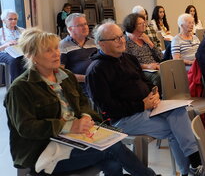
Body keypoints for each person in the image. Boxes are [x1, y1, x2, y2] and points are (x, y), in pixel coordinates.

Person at [4, 28, 157, 176]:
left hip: (74, 140)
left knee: (114, 162)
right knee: (113, 148)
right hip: (43, 151)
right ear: (33, 56)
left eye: (56, 48)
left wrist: (85, 116)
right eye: (48, 51)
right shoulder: (21, 88)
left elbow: (84, 103)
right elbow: (26, 127)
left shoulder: (66, 76)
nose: (56, 54)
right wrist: (68, 125)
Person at [85, 20, 204, 176]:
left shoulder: (128, 58)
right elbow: (108, 108)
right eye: (115, 39)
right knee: (175, 130)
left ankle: (192, 166)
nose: (121, 40)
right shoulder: (96, 70)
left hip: (148, 107)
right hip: (124, 119)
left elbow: (146, 81)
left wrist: (153, 93)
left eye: (121, 36)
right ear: (101, 43)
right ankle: (191, 168)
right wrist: (141, 105)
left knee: (179, 110)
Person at [60, 13, 97, 96]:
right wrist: (85, 78)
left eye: (85, 24)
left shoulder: (94, 43)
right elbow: (60, 73)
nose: (85, 27)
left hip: (96, 84)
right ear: (70, 29)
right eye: (80, 25)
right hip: (77, 89)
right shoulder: (62, 45)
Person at [123, 13, 162, 88]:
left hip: (155, 67)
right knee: (158, 76)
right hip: (140, 70)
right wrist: (147, 66)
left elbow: (160, 56)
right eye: (140, 23)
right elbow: (127, 63)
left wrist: (150, 43)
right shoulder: (126, 41)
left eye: (144, 23)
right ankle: (157, 97)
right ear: (132, 25)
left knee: (171, 70)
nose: (144, 25)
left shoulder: (146, 38)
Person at [0, 10, 25, 81]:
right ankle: (16, 85)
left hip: (19, 52)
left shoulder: (22, 31)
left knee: (29, 58)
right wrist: (6, 45)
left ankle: (28, 84)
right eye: (10, 19)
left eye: (15, 19)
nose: (13, 21)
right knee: (14, 60)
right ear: (4, 21)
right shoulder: (0, 32)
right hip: (4, 52)